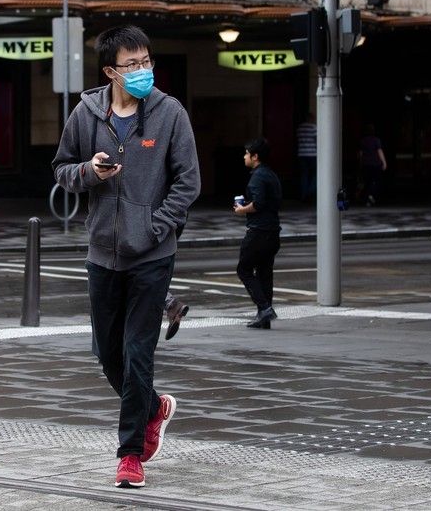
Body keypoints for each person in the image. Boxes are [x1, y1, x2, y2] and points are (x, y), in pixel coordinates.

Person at [51, 24, 200, 488]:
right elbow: (61, 170)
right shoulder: (86, 113)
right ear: (110, 71)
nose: (142, 71)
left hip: (152, 255)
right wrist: (90, 172)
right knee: (107, 354)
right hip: (102, 254)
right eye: (132, 65)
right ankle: (154, 408)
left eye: (147, 62)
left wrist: (156, 227)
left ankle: (129, 454)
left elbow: (188, 182)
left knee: (138, 354)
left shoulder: (169, 112)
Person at [233, 137, 282, 330]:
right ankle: (264, 317)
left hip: (259, 232)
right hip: (273, 232)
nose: (244, 156)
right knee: (264, 273)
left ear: (255, 156)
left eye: (247, 153)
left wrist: (241, 210)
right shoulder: (271, 175)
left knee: (243, 269)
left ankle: (264, 308)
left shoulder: (258, 176)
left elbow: (259, 204)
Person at [357, 123, 387, 206]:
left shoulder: (363, 141)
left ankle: (368, 197)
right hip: (375, 164)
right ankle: (371, 195)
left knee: (367, 181)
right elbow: (379, 152)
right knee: (377, 181)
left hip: (365, 164)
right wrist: (384, 162)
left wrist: (360, 163)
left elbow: (360, 154)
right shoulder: (376, 140)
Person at [296, 113, 317, 203]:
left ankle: (303, 195)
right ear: (310, 119)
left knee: (304, 175)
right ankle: (310, 191)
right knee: (316, 174)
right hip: (312, 154)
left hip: (301, 154)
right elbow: (317, 140)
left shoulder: (299, 128)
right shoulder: (313, 127)